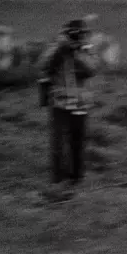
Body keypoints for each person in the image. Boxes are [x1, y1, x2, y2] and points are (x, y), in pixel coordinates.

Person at [38, 19, 99, 185]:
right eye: (73, 33)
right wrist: (60, 48)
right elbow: (43, 64)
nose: (77, 36)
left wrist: (76, 52)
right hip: (59, 103)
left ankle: (76, 178)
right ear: (65, 33)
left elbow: (92, 69)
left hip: (80, 103)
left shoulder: (86, 48)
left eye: (80, 33)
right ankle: (57, 178)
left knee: (77, 141)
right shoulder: (56, 47)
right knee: (57, 142)